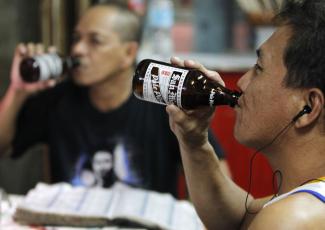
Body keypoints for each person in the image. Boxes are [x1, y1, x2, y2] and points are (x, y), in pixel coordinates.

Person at [0, 2, 226, 197]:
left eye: (95, 41)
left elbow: (221, 182)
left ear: (128, 53)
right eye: (76, 39)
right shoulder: (58, 98)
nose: (77, 49)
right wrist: (18, 91)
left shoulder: (162, 104)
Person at [166, 0, 325, 228]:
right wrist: (194, 140)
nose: (241, 82)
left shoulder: (291, 219)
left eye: (259, 68)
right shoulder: (305, 203)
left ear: (308, 106)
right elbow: (238, 220)